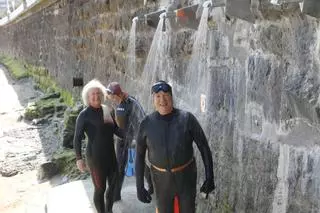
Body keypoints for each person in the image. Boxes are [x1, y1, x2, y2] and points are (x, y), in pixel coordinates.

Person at [135, 80, 215, 213]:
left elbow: (204, 147)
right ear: (153, 99)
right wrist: (139, 186)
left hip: (186, 178)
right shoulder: (146, 124)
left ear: (172, 97)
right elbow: (139, 155)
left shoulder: (186, 119)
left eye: (166, 95)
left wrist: (210, 177)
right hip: (161, 181)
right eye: (158, 96)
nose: (162, 100)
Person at [73, 79, 122, 213]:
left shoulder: (107, 110)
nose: (96, 96)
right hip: (95, 159)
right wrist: (79, 159)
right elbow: (77, 138)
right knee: (100, 189)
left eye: (98, 93)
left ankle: (109, 210)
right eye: (92, 94)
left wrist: (130, 134)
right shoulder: (84, 115)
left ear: (102, 95)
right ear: (88, 97)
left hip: (111, 156)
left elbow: (116, 129)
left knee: (112, 186)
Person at [105, 82, 153, 202]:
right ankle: (116, 194)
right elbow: (114, 121)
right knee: (120, 166)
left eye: (113, 97)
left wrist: (140, 137)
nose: (112, 100)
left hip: (135, 138)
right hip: (121, 139)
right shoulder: (114, 104)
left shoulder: (132, 103)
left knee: (141, 163)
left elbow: (143, 118)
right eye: (110, 98)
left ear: (118, 94)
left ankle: (151, 186)